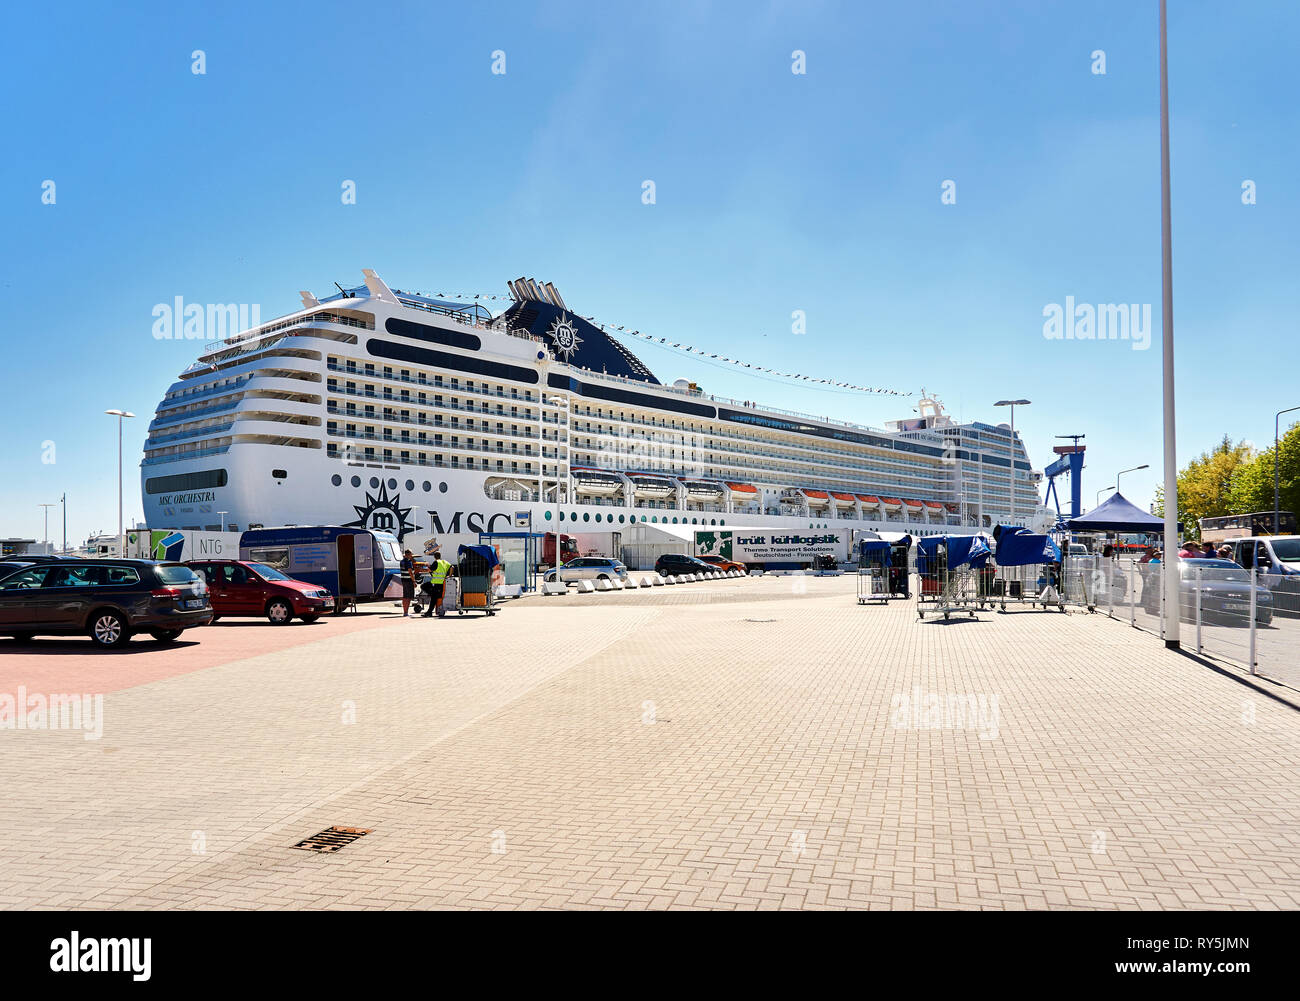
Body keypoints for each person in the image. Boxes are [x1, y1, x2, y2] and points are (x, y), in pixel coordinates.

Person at [421, 551, 453, 617]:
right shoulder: (444, 562)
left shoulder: (436, 562)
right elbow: (452, 567)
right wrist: (449, 576)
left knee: (424, 587)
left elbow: (430, 570)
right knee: (427, 589)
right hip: (442, 583)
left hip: (436, 583)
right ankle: (430, 609)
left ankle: (429, 612)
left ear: (434, 556)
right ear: (440, 556)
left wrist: (426, 566)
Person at [399, 549, 416, 616]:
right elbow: (410, 572)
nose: (412, 555)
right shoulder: (409, 562)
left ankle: (405, 612)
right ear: (409, 554)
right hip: (409, 580)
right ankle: (406, 612)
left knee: (405, 596)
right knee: (408, 597)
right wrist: (414, 581)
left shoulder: (402, 561)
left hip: (403, 580)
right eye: (411, 554)